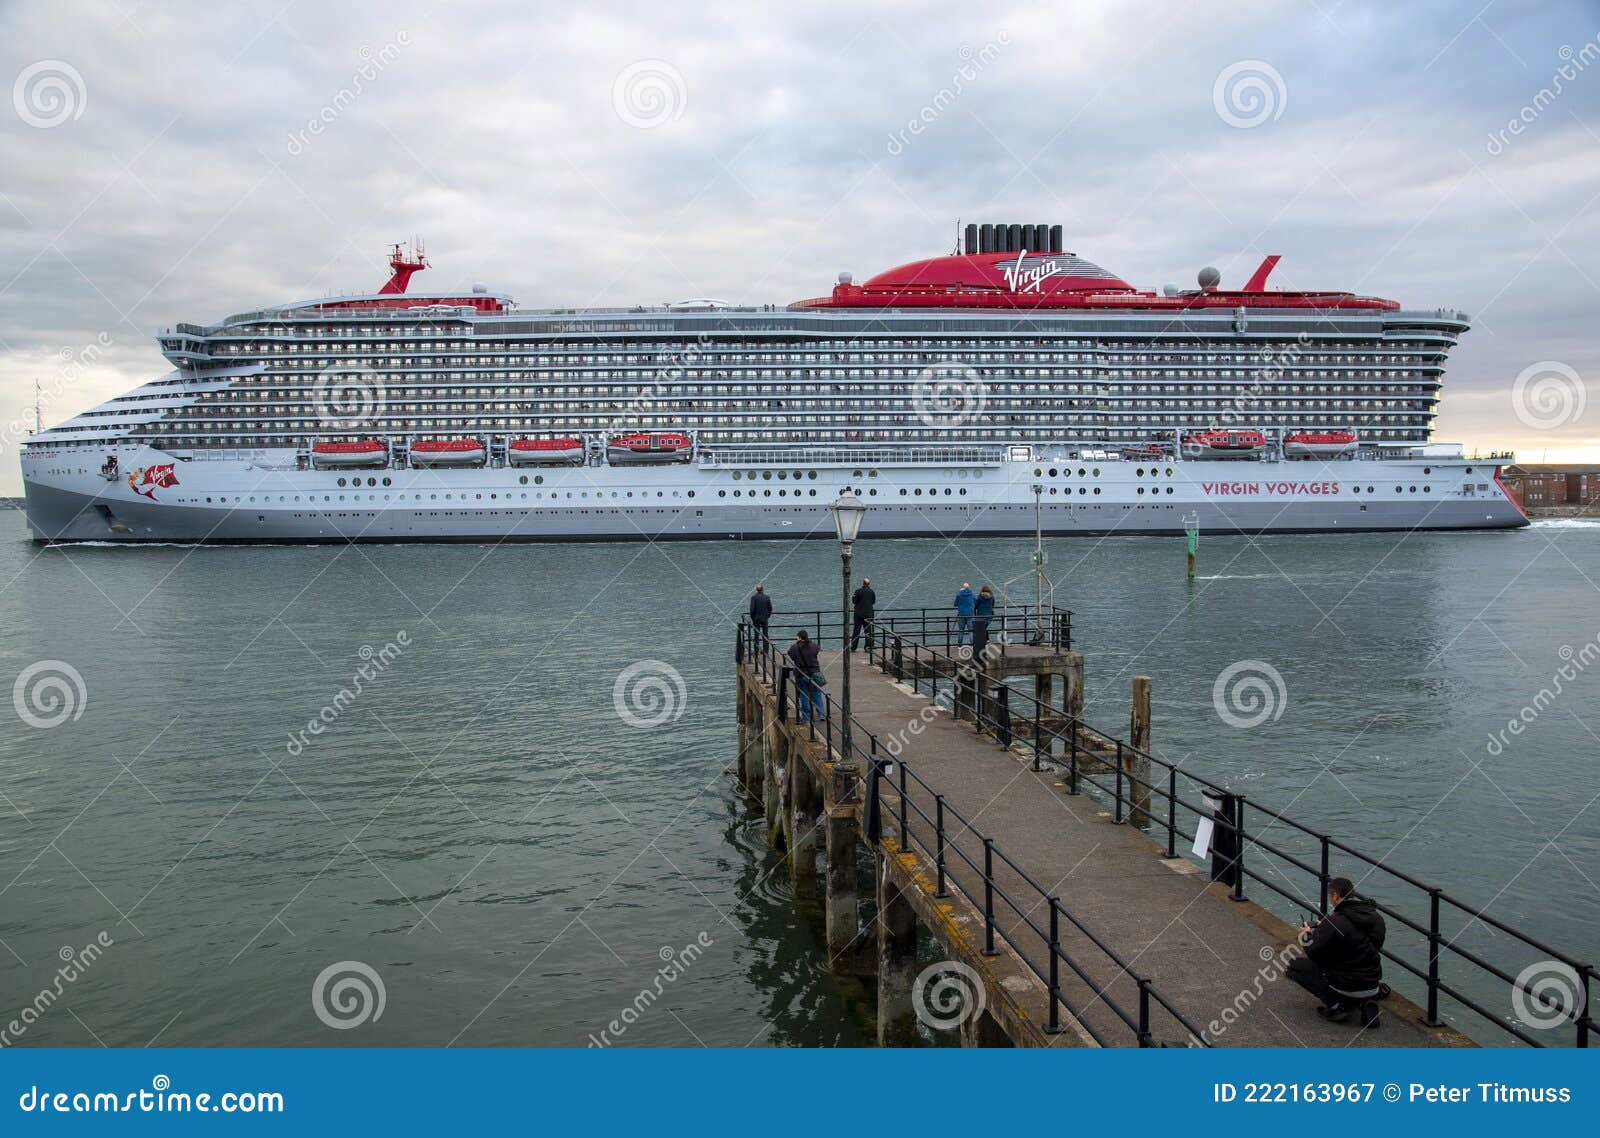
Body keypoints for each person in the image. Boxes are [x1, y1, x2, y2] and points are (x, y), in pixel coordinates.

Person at [1288, 876, 1387, 1028]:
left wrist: (1306, 934)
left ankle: (1336, 1006)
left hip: (1347, 983)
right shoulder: (1375, 917)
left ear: (1335, 895)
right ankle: (1367, 1003)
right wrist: (1326, 927)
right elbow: (1373, 945)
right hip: (1372, 981)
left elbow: (1314, 952)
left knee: (1296, 967)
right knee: (1349, 966)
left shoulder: (1336, 922)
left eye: (1331, 896)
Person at [786, 629, 823, 722]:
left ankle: (806, 716)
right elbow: (817, 650)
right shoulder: (813, 646)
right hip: (814, 672)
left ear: (798, 637)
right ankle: (821, 714)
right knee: (817, 693)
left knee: (804, 694)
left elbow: (790, 654)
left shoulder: (794, 647)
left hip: (801, 674)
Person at [850, 576, 877, 652]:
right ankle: (868, 647)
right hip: (869, 614)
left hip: (858, 614)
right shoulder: (872, 592)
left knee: (856, 631)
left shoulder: (858, 591)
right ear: (869, 584)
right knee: (868, 631)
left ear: (863, 583)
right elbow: (873, 602)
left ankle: (853, 647)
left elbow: (854, 601)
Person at [971, 585, 995, 658]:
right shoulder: (992, 597)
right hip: (989, 615)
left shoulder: (980, 597)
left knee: (981, 629)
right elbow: (993, 605)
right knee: (984, 628)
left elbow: (976, 605)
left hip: (981, 615)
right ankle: (987, 640)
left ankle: (984, 641)